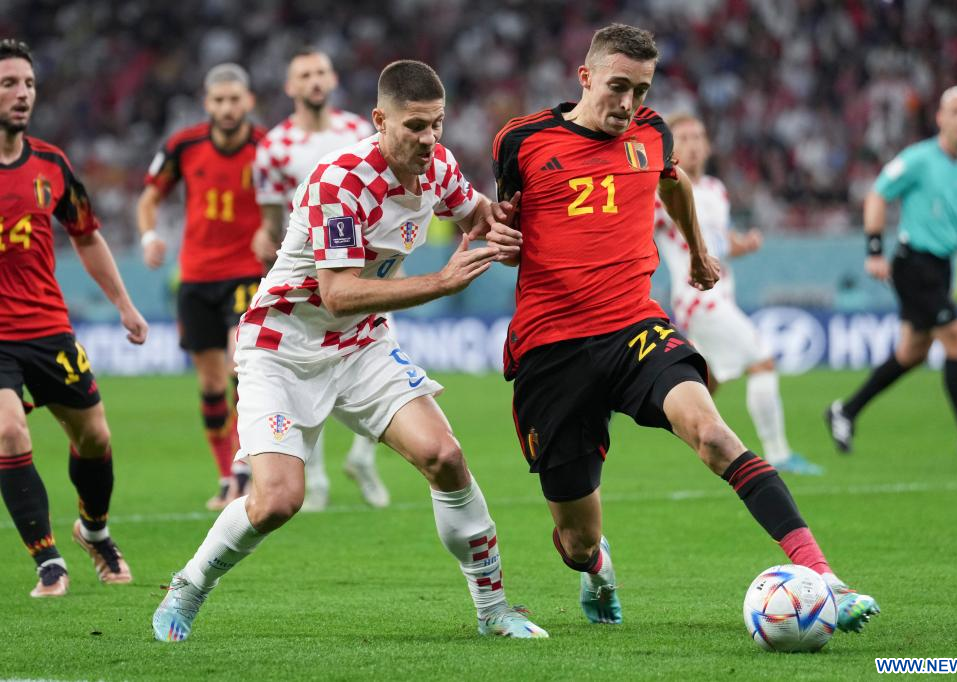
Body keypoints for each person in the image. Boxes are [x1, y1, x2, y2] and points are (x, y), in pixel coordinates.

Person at [490, 23, 877, 631]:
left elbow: (674, 183)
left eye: (641, 90)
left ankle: (825, 577)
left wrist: (698, 251)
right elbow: (504, 222)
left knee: (715, 435)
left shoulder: (651, 134)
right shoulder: (522, 141)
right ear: (585, 77)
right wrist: (501, 237)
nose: (629, 103)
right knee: (577, 541)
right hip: (551, 348)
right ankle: (598, 568)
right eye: (618, 87)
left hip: (633, 328)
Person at [152, 60, 547, 642]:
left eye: (437, 123)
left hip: (361, 345)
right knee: (278, 500)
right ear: (380, 120)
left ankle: (493, 610)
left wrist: (505, 228)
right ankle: (189, 585)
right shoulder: (341, 181)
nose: (429, 138)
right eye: (415, 126)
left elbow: (478, 216)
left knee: (444, 456)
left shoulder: (438, 166)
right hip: (282, 347)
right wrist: (441, 282)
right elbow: (338, 294)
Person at [0, 39, 147, 597]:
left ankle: (94, 531)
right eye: (9, 84)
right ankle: (47, 560)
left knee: (94, 437)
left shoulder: (52, 165)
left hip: (48, 328)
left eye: (28, 84)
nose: (22, 94)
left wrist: (124, 305)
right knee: (8, 430)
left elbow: (85, 236)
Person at [825, 86, 957, 459]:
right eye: (954, 111)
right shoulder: (918, 159)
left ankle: (845, 411)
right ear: (940, 118)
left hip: (942, 266)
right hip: (913, 263)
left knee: (912, 352)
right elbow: (878, 194)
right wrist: (874, 250)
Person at [252, 47, 387, 511]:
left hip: (361, 265)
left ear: (333, 80)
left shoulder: (358, 132)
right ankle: (318, 478)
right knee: (312, 368)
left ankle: (362, 457)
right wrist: (268, 250)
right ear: (290, 86)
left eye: (321, 72)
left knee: (380, 354)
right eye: (305, 74)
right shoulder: (274, 147)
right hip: (308, 274)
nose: (314, 80)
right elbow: (271, 222)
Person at [653, 114, 822, 475]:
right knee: (761, 362)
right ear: (671, 147)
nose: (693, 145)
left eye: (698, 136)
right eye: (684, 138)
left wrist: (742, 245)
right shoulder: (663, 190)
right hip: (699, 299)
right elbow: (638, 225)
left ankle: (650, 415)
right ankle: (778, 454)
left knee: (705, 382)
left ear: (708, 145)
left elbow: (719, 243)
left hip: (720, 295)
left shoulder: (716, 190)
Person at [137, 64, 266, 510]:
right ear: (207, 103)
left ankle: (244, 472)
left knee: (240, 367)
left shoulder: (268, 147)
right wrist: (149, 236)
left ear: (248, 101)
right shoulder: (182, 146)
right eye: (219, 101)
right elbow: (149, 197)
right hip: (195, 277)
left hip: (248, 273)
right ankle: (227, 475)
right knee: (211, 384)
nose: (227, 108)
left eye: (235, 100)